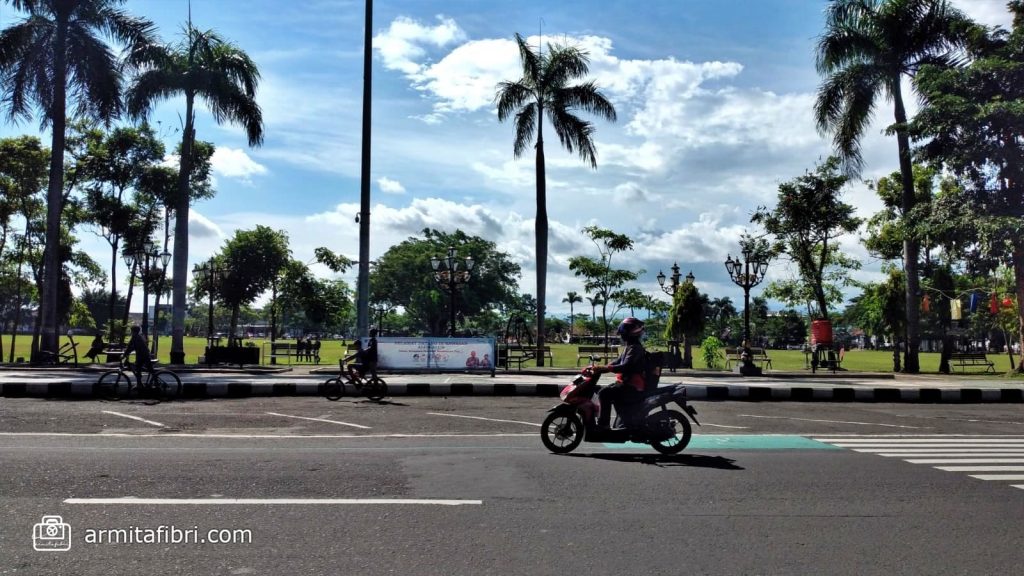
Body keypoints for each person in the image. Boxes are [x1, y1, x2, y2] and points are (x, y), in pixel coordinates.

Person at [588, 317, 647, 429]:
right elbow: (617, 361)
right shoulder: (629, 347)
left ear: (631, 333)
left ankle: (603, 425)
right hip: (625, 383)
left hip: (632, 386)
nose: (621, 336)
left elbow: (625, 366)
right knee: (601, 390)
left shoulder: (635, 348)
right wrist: (601, 368)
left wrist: (606, 368)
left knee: (604, 393)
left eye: (623, 334)